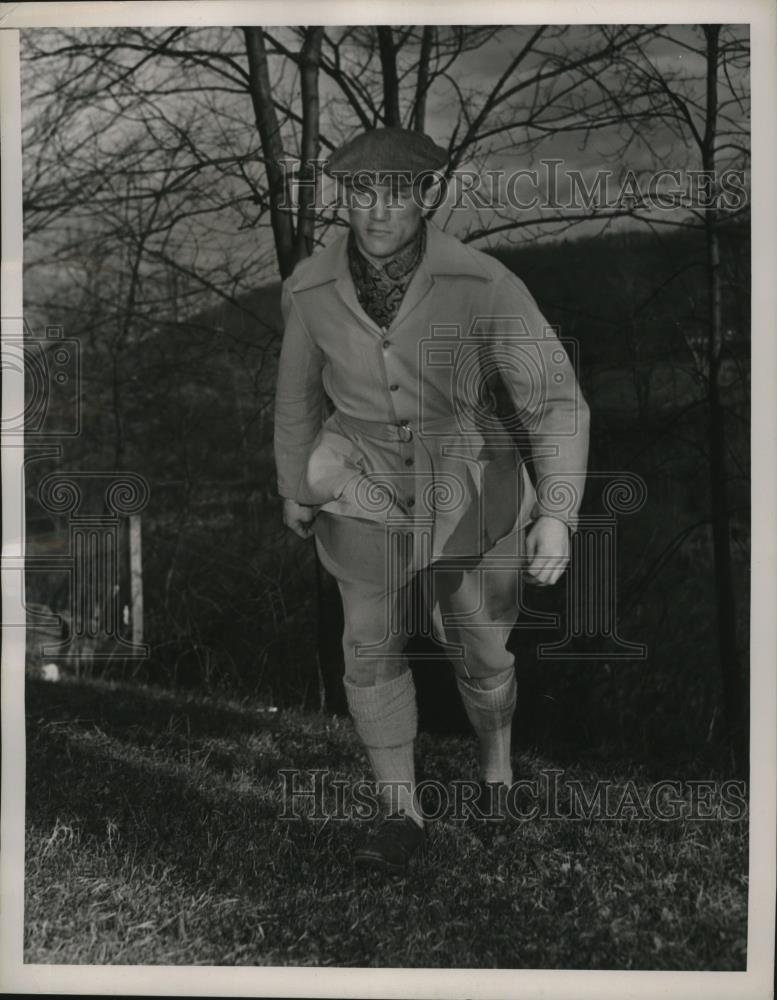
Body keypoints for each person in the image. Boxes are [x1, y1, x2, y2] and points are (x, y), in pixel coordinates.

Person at [274, 127, 590, 875]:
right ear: (341, 197)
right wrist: (295, 483)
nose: (376, 211)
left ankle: (496, 774)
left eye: (394, 193)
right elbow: (294, 400)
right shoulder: (309, 290)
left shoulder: (484, 284)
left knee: (479, 648)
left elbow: (554, 403)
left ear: (426, 194)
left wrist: (557, 513)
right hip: (360, 480)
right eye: (359, 193)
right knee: (368, 644)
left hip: (469, 480)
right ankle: (399, 815)